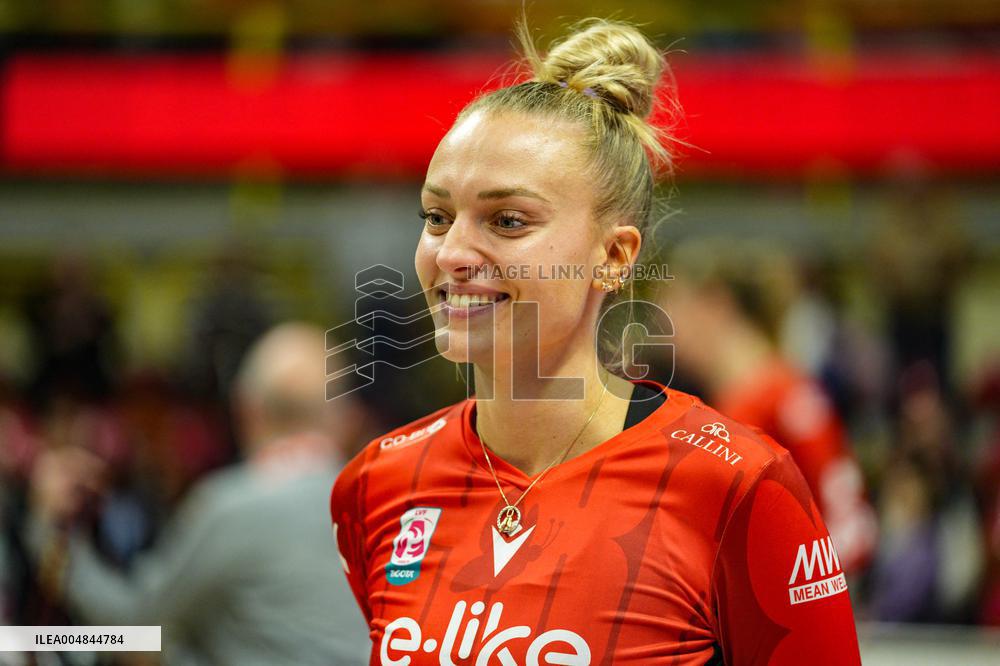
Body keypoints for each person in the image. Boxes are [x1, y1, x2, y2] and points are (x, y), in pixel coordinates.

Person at [330, 17, 862, 665]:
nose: (452, 253)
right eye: (437, 216)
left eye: (507, 220)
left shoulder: (738, 486)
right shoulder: (378, 483)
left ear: (613, 256)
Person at [27, 323, 371, 665]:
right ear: (345, 418)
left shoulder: (235, 510)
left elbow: (138, 628)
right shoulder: (387, 503)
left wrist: (50, 535)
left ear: (246, 409)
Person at [662, 241, 877, 575]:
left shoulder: (772, 399)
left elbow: (852, 528)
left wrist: (787, 591)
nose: (666, 320)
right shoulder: (753, 397)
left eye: (674, 301)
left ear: (715, 304)